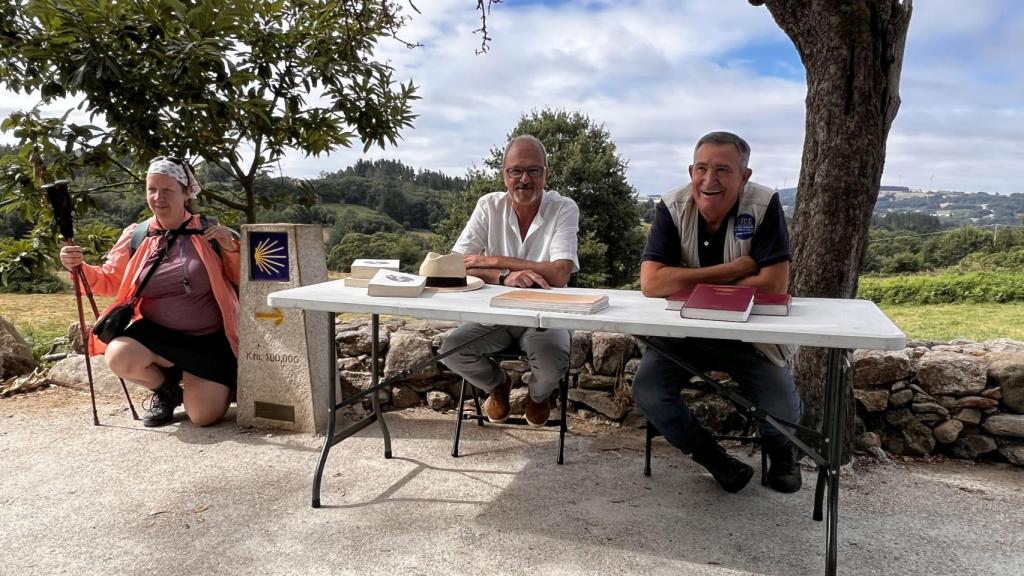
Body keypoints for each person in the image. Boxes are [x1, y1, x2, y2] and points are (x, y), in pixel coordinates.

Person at [632, 131, 803, 493]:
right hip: (684, 331)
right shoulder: (671, 204)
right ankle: (713, 458)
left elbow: (774, 284)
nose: (709, 180)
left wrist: (686, 282)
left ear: (745, 176)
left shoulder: (764, 203)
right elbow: (651, 283)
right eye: (702, 169)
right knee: (647, 391)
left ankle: (781, 452)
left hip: (748, 333)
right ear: (690, 171)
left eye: (723, 170)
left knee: (782, 405)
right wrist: (733, 271)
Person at [60, 157, 241, 428]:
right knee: (119, 355)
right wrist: (78, 267)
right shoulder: (138, 235)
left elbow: (244, 279)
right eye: (152, 189)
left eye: (167, 190)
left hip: (208, 341)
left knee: (203, 418)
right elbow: (110, 281)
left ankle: (215, 383)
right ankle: (166, 391)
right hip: (157, 337)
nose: (158, 197)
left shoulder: (210, 233)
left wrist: (231, 248)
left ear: (186, 193)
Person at [439, 135, 580, 426]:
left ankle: (538, 396)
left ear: (546, 174)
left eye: (533, 170)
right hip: (496, 314)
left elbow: (561, 273)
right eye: (516, 171)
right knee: (451, 350)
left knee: (553, 361)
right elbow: (454, 266)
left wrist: (492, 260)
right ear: (505, 175)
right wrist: (504, 276)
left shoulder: (564, 207)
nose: (524, 179)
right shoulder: (488, 206)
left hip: (546, 316)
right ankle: (498, 385)